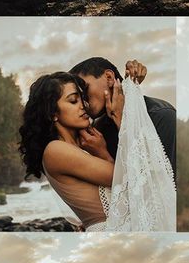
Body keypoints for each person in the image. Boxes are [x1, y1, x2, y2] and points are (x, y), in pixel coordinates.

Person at [19, 71, 116, 231]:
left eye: (82, 99)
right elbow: (120, 178)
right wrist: (103, 151)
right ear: (53, 114)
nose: (83, 106)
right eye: (73, 101)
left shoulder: (84, 144)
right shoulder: (56, 150)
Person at [70, 57, 176, 175]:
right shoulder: (95, 133)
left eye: (84, 89)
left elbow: (159, 184)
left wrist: (103, 154)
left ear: (109, 77)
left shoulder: (161, 115)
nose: (82, 99)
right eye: (76, 97)